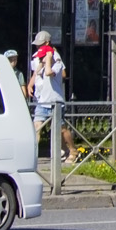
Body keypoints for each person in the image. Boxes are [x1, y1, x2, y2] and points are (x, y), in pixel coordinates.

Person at [28, 30, 76, 164]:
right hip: (41, 101)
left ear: (47, 43)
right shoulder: (37, 57)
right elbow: (35, 73)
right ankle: (33, 156)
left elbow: (49, 72)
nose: (38, 48)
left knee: (61, 129)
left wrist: (48, 59)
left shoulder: (57, 60)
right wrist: (30, 84)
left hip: (55, 101)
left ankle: (72, 150)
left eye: (40, 45)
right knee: (36, 126)